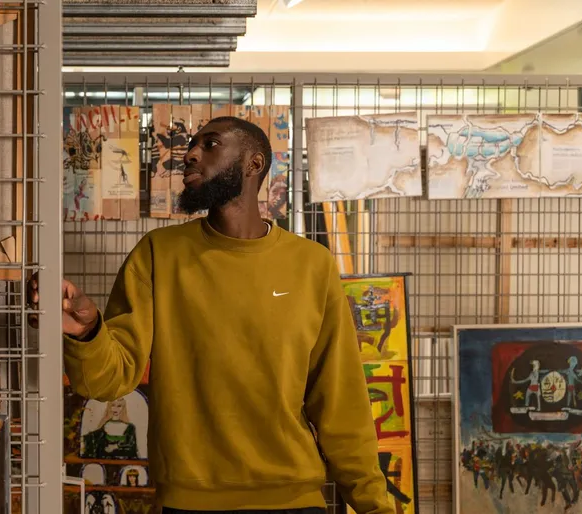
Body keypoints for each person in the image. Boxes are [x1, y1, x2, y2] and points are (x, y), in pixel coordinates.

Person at [29, 116, 391, 513]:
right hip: (190, 502)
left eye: (211, 144)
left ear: (254, 164)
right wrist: (88, 332)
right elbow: (110, 380)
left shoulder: (312, 265)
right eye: (192, 145)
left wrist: (375, 505)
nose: (190, 154)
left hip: (293, 499)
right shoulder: (159, 255)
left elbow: (341, 400)